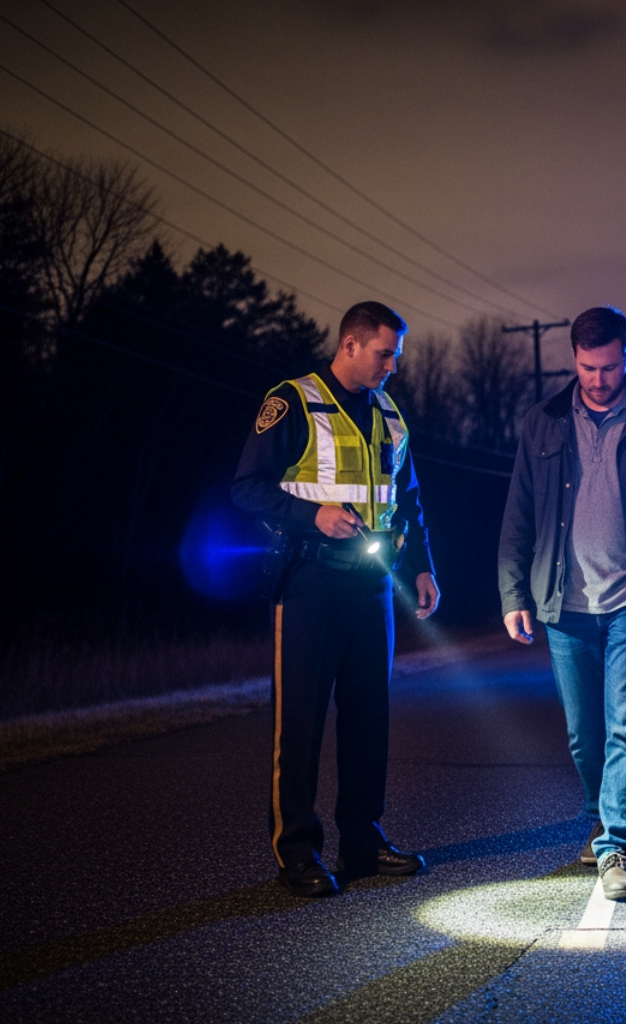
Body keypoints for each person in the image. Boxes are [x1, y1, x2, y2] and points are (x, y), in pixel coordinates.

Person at [498, 305, 626, 901]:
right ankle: (600, 816)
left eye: (610, 366)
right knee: (582, 734)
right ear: (574, 359)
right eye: (588, 368)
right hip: (563, 604)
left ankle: (617, 845)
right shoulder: (541, 423)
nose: (598, 379)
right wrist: (514, 593)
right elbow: (518, 515)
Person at [233, 301, 440, 898]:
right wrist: (311, 515)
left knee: (369, 717)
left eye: (395, 355)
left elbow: (410, 499)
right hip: (309, 582)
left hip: (372, 585)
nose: (392, 366)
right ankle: (296, 852)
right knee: (298, 722)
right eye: (384, 353)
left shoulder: (389, 412)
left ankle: (362, 840)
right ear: (350, 345)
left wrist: (424, 567)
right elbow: (245, 488)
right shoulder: (293, 401)